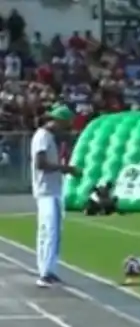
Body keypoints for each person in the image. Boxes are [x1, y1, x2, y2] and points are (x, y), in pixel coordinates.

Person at [32, 105, 80, 288]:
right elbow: (41, 163)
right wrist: (65, 168)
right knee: (51, 233)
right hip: (48, 191)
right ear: (58, 121)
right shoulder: (43, 137)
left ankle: (46, 270)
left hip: (49, 190)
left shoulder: (46, 136)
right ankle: (46, 274)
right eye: (66, 123)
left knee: (47, 232)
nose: (66, 128)